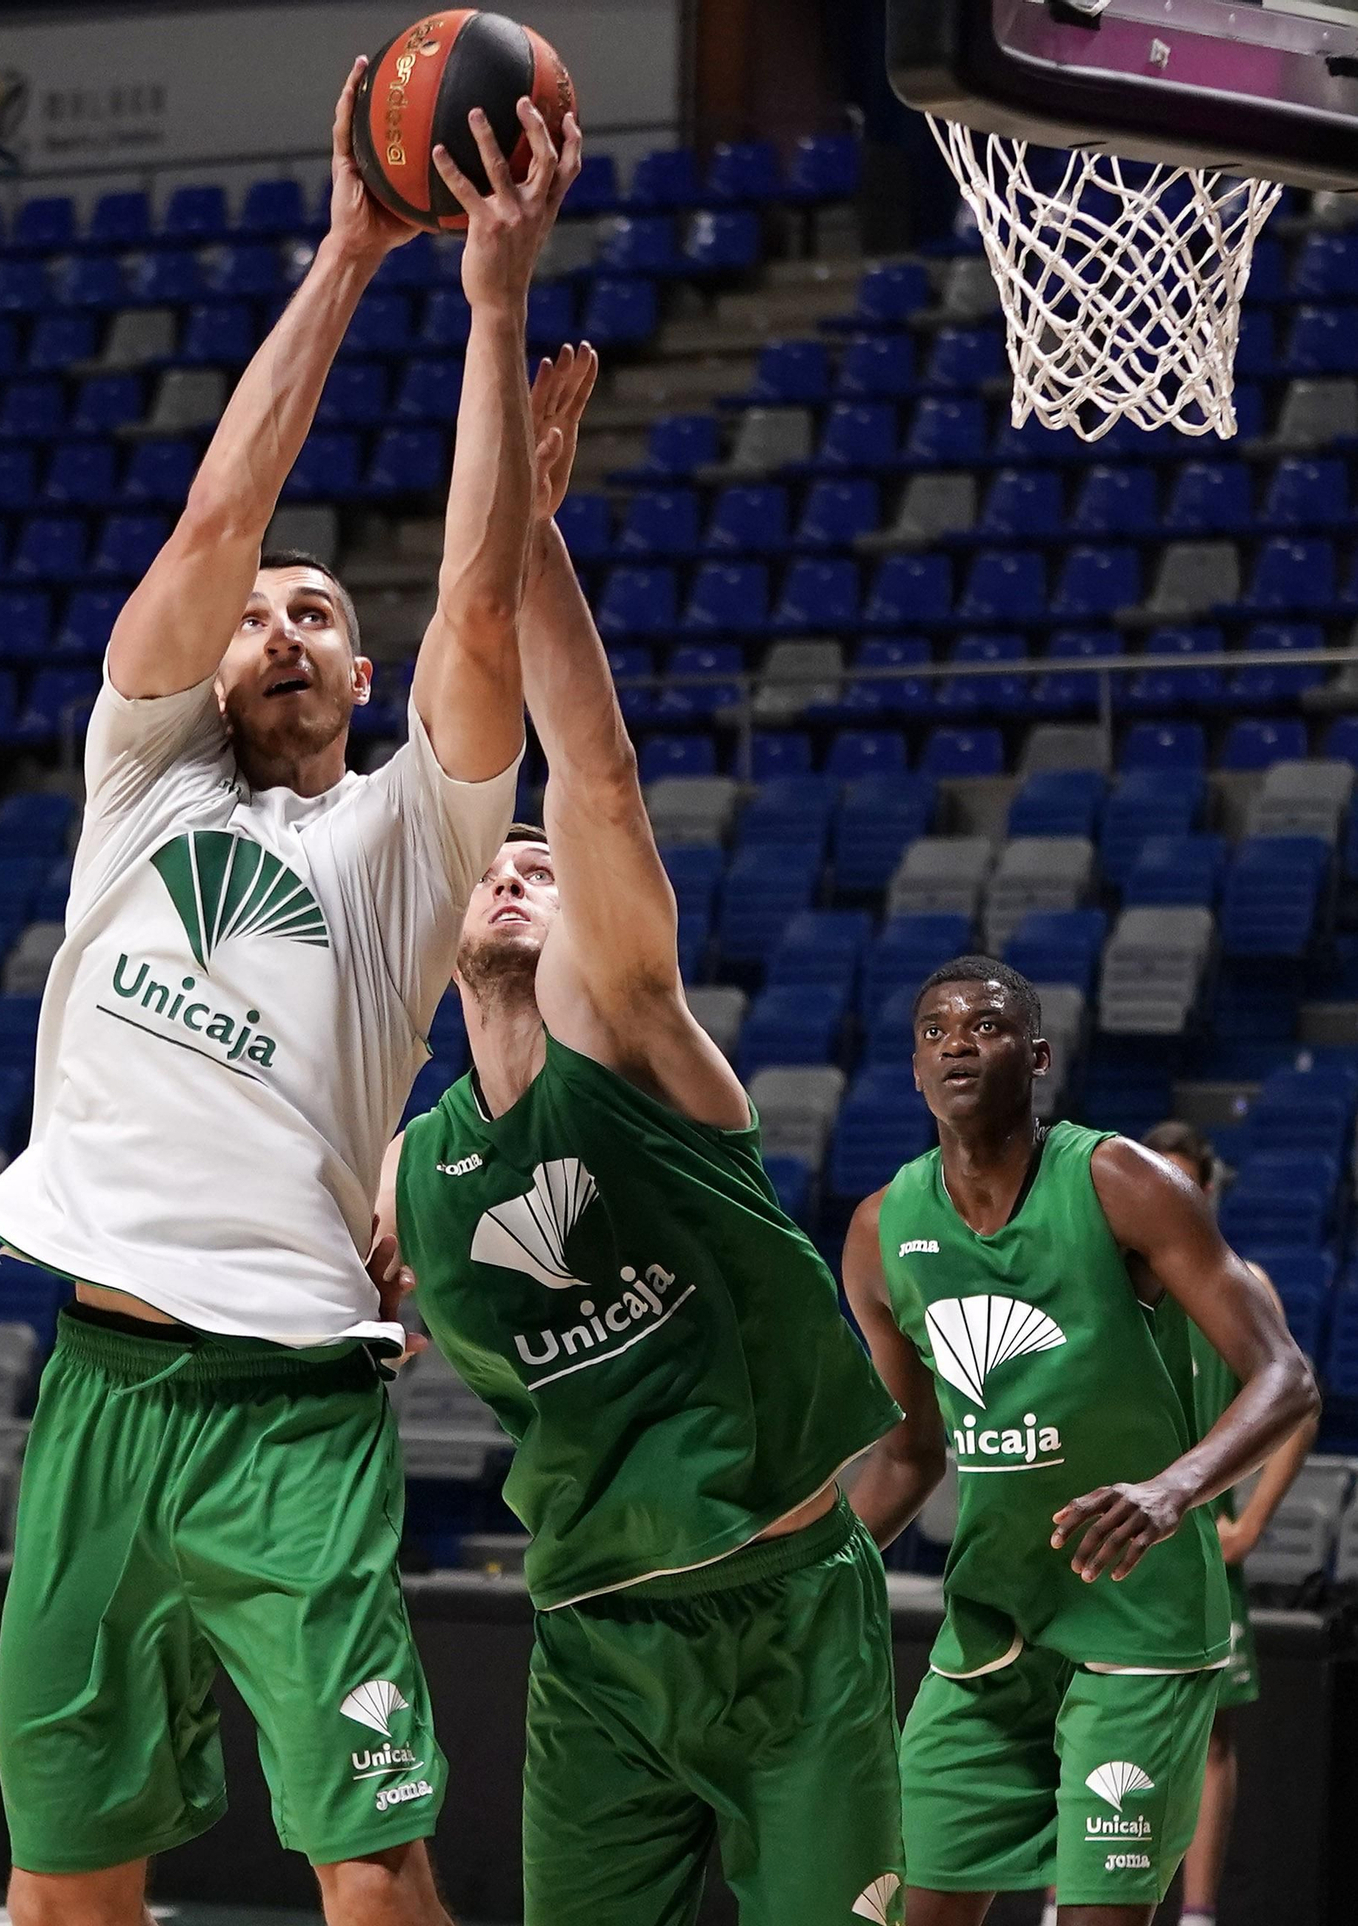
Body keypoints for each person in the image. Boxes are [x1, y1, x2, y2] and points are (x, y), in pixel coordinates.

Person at [0, 63, 581, 1926]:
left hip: (287, 1408)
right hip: (92, 1381)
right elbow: (211, 520)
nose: (279, 624)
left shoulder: (411, 838)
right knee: (65, 1874)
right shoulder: (139, 774)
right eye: (260, 609)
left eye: (320, 613)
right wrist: (346, 249)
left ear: (360, 669)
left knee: (369, 1858)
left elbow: (482, 623)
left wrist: (487, 298)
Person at [374, 346, 906, 1926]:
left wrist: (529, 534)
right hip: (594, 1640)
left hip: (786, 1614)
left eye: (544, 870)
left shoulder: (643, 1040)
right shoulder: (411, 1165)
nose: (521, 872)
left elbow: (592, 776)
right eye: (498, 865)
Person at [840, 956, 1319, 1926]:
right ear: (913, 1070)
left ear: (1040, 1055)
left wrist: (1169, 1491)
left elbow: (1285, 1375)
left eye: (986, 1025)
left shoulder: (1117, 1181)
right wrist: (808, 1572)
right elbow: (906, 1455)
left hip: (1136, 1622)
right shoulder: (881, 1228)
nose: (959, 1042)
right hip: (991, 1621)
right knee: (905, 1907)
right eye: (935, 1031)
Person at [1141, 1121, 1318, 1926]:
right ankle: (1061, 1901)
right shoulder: (1109, 1285)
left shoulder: (1246, 1283)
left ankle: (1199, 1913)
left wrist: (1248, 1527)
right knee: (1075, 1723)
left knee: (1208, 1737)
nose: (1173, 1197)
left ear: (1206, 1191)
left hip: (1205, 1540)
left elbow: (1297, 1412)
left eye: (1186, 1183)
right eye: (1161, 1181)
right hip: (1121, 1538)